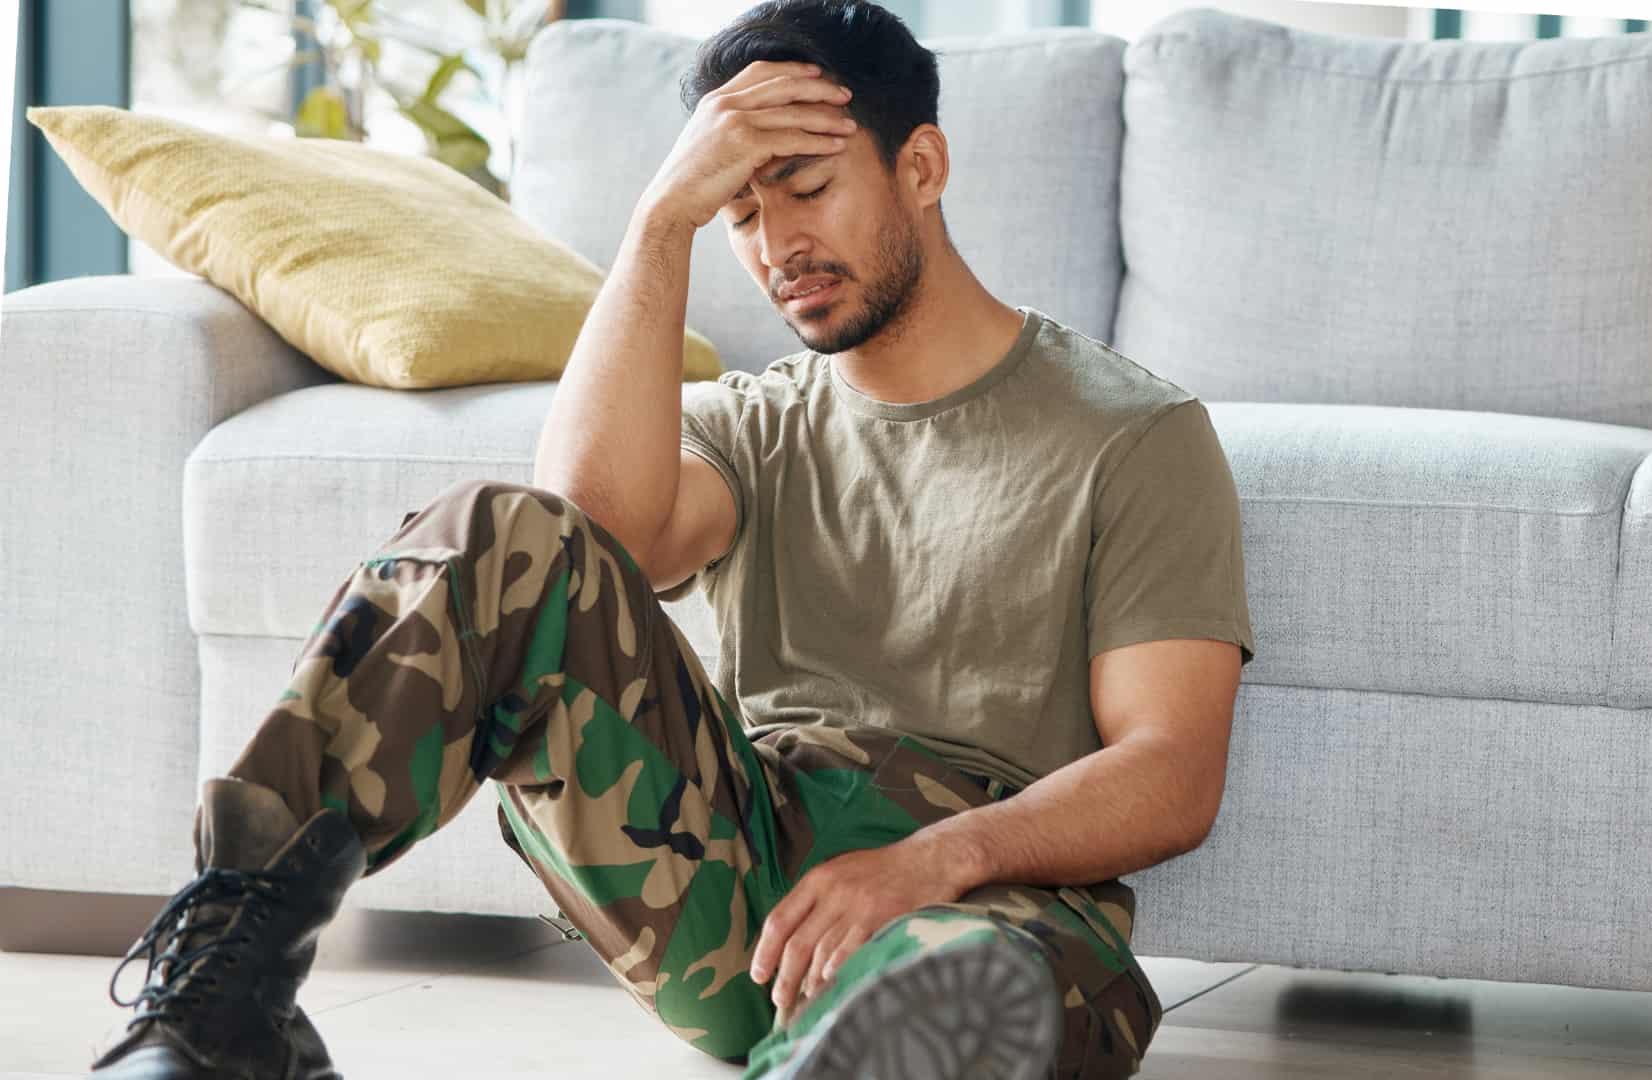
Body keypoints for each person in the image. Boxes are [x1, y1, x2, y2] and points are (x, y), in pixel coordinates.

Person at [87, 1, 1256, 1077]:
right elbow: (577, 547)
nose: (776, 239)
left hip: (992, 899)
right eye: (742, 209)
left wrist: (928, 864)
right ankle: (224, 993)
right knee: (500, 529)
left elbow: (1171, 771)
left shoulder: (1134, 434)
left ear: (924, 166)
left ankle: (848, 1048)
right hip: (736, 880)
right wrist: (661, 221)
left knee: (970, 994)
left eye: (804, 185)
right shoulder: (756, 424)